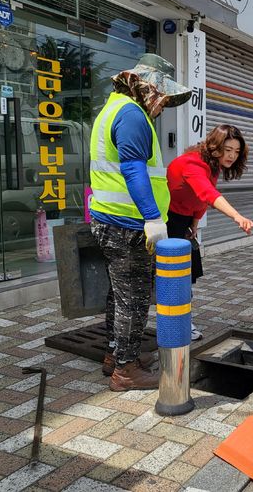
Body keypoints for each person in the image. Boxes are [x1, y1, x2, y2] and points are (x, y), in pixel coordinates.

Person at [89, 53, 191, 392]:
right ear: (148, 88)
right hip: (128, 225)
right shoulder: (132, 115)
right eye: (162, 97)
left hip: (111, 220)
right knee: (133, 298)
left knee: (118, 295)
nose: (162, 106)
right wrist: (152, 218)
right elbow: (133, 170)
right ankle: (126, 371)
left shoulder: (112, 108)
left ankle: (115, 356)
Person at [166, 123, 253, 339]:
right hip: (167, 220)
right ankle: (177, 325)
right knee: (176, 276)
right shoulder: (193, 163)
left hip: (184, 220)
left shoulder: (213, 165)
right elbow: (207, 192)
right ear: (215, 146)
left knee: (188, 274)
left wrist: (196, 222)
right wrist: (237, 216)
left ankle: (183, 320)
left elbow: (201, 198)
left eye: (236, 151)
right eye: (228, 150)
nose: (232, 156)